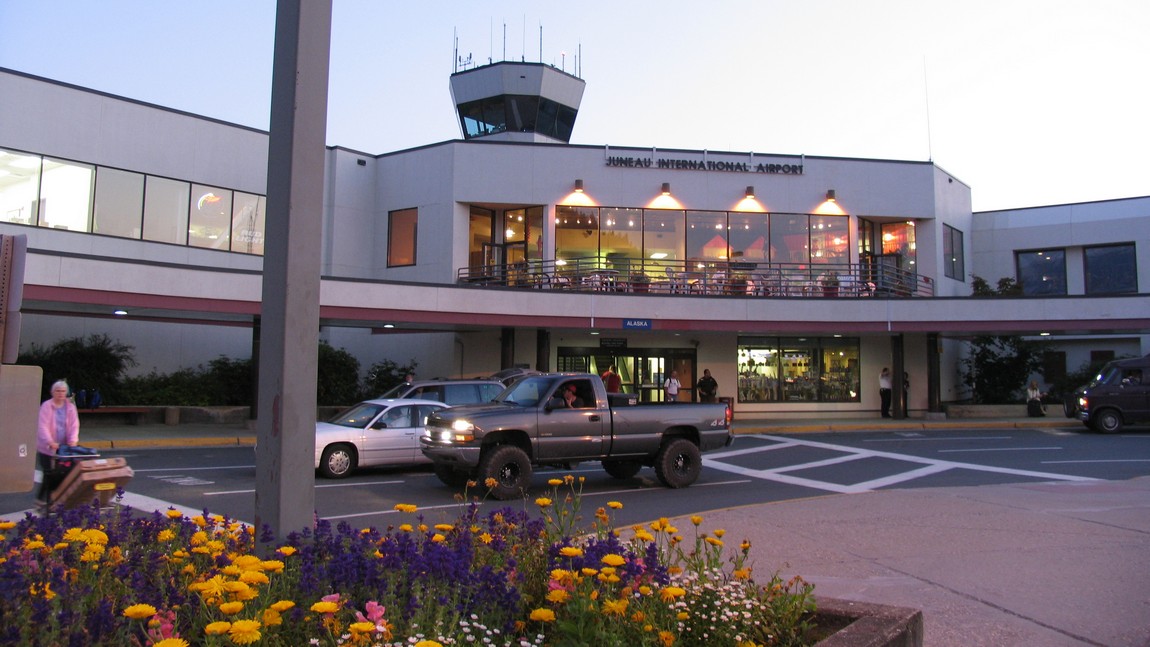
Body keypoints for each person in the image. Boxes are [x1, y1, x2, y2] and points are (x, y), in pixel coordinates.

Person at [36, 380, 81, 508]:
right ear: (52, 392)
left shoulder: (70, 407)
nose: (60, 394)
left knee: (63, 472)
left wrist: (73, 440)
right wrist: (50, 442)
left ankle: (53, 499)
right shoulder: (46, 406)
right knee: (48, 472)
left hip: (64, 448)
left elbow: (74, 425)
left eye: (63, 391)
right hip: (47, 447)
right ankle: (42, 499)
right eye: (58, 391)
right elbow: (42, 426)